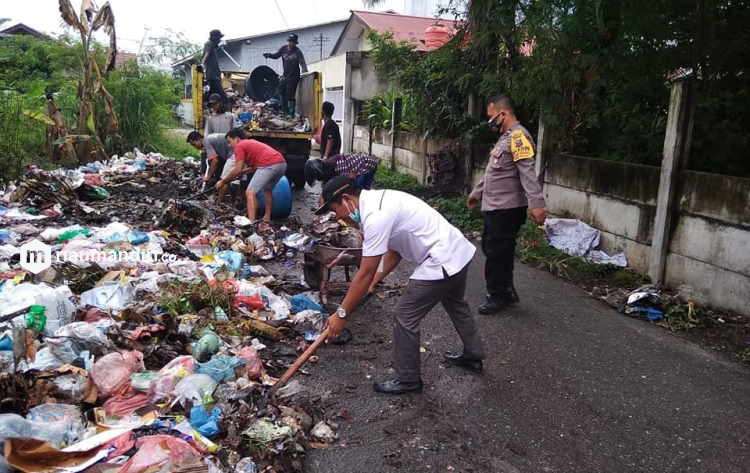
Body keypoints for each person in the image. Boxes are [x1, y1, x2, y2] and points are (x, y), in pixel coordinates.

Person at [316, 176, 485, 395]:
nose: (338, 217)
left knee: (405, 316)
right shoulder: (380, 200)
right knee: (455, 303)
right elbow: (394, 252)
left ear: (346, 199)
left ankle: (408, 379)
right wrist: (374, 282)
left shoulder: (375, 216)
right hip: (456, 250)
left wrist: (341, 314)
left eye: (334, 210)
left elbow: (365, 272)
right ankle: (473, 354)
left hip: (441, 258)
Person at [467, 95, 547, 315]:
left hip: (507, 208)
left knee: (496, 252)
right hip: (495, 207)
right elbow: (492, 172)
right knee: (496, 249)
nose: (490, 122)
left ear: (503, 114)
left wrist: (537, 204)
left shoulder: (518, 137)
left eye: (492, 117)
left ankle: (497, 295)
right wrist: (476, 193)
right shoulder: (506, 138)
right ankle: (506, 288)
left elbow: (528, 173)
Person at [220, 128, 287, 222]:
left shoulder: (239, 146)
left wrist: (223, 181)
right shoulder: (250, 143)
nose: (229, 145)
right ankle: (267, 217)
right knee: (267, 190)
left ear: (237, 139)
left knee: (250, 192)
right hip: (281, 163)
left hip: (269, 165)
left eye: (229, 142)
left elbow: (237, 168)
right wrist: (242, 172)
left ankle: (251, 222)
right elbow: (254, 168)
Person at [263, 33, 307, 116]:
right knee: (281, 90)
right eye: (290, 42)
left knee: (290, 94)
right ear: (288, 42)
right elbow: (276, 55)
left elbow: (302, 63)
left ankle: (291, 113)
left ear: (295, 43)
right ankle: (284, 111)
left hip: (294, 76)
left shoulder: (298, 52)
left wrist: (305, 71)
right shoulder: (283, 49)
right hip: (285, 75)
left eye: (293, 42)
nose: (291, 44)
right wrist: (268, 55)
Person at [304, 153, 379, 189]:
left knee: (358, 188)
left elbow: (350, 177)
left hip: (367, 164)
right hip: (362, 164)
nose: (318, 179)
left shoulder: (337, 166)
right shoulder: (329, 165)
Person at [202, 29, 227, 105]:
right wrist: (202, 64)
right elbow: (206, 54)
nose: (220, 40)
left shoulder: (213, 46)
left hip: (215, 75)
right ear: (214, 38)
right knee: (222, 96)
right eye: (219, 38)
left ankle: (210, 109)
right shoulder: (209, 44)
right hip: (213, 76)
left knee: (212, 94)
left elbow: (211, 50)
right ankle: (225, 111)